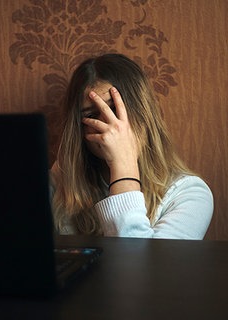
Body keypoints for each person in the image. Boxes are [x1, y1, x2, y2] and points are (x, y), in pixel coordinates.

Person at [50, 53, 213, 240]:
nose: (109, 129)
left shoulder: (189, 194)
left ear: (144, 114)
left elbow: (140, 265)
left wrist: (123, 166)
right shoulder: (62, 180)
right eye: (92, 116)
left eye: (115, 111)